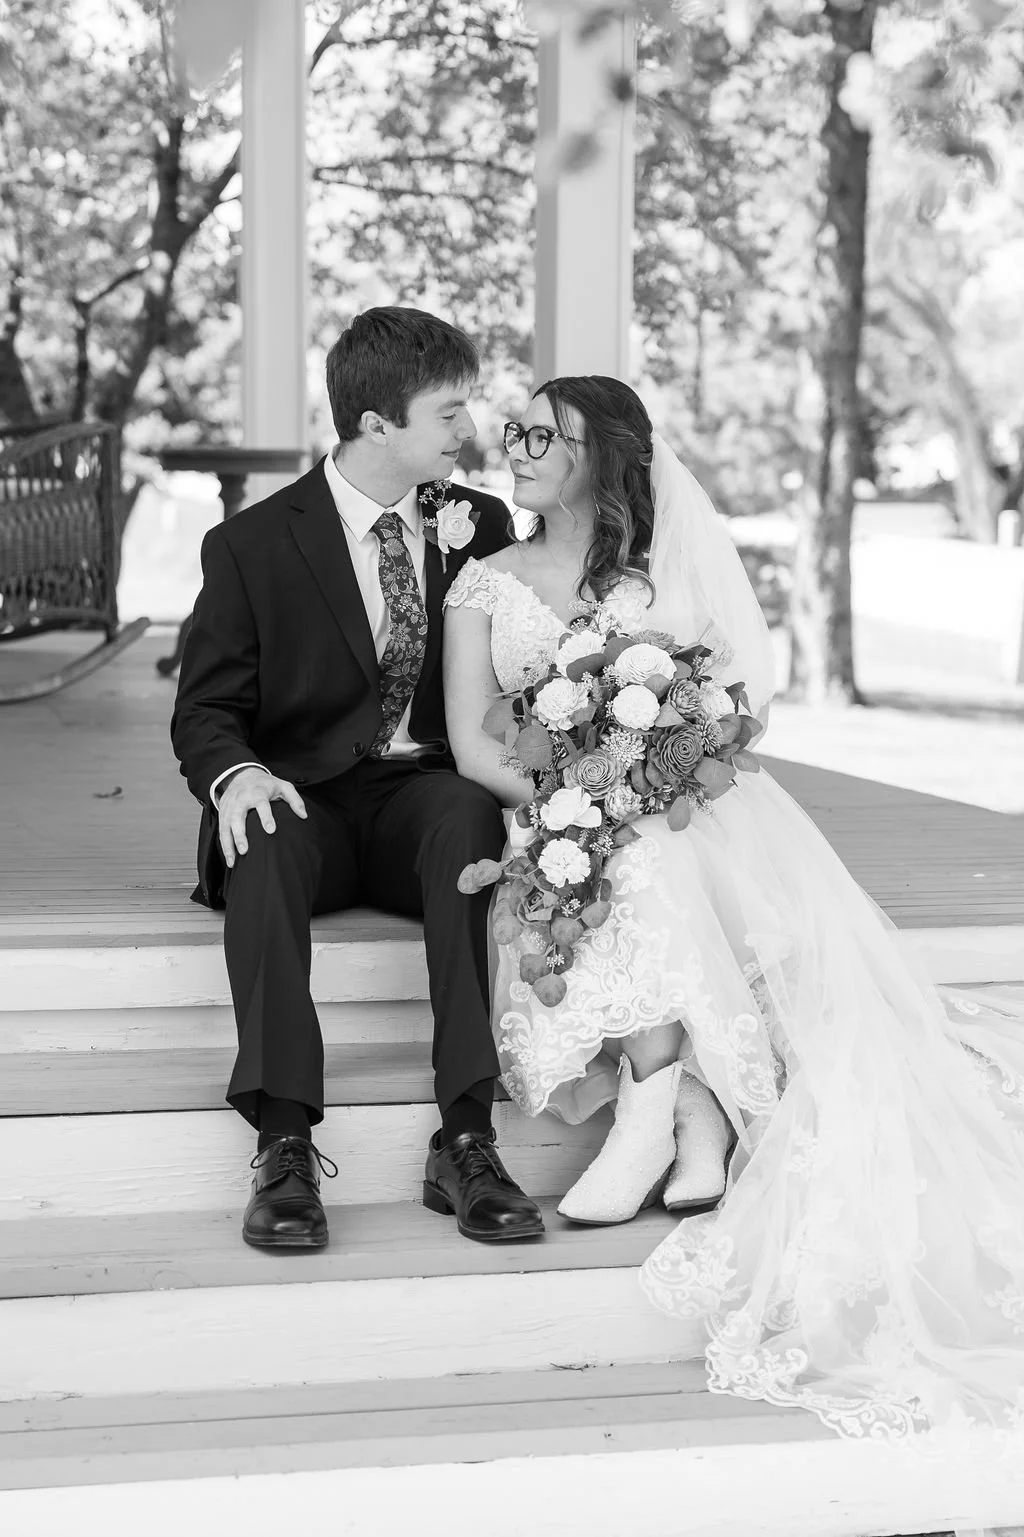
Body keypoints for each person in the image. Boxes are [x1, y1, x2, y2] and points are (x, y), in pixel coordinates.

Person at [443, 374, 1024, 1440]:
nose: (515, 450)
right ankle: (689, 1111)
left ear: (601, 457)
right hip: (547, 811)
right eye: (515, 432)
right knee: (626, 864)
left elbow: (715, 709)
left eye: (543, 436)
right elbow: (473, 743)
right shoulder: (483, 583)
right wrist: (575, 800)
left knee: (655, 859)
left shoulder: (656, 580)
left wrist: (637, 783)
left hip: (677, 810)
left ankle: (653, 1119)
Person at [171, 306, 544, 1252]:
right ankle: (283, 1142)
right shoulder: (251, 544)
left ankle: (466, 1137)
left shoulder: (479, 525)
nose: (470, 430)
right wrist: (237, 775)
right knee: (261, 829)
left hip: (418, 799)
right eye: (449, 412)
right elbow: (205, 708)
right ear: (377, 424)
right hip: (302, 799)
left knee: (466, 815)